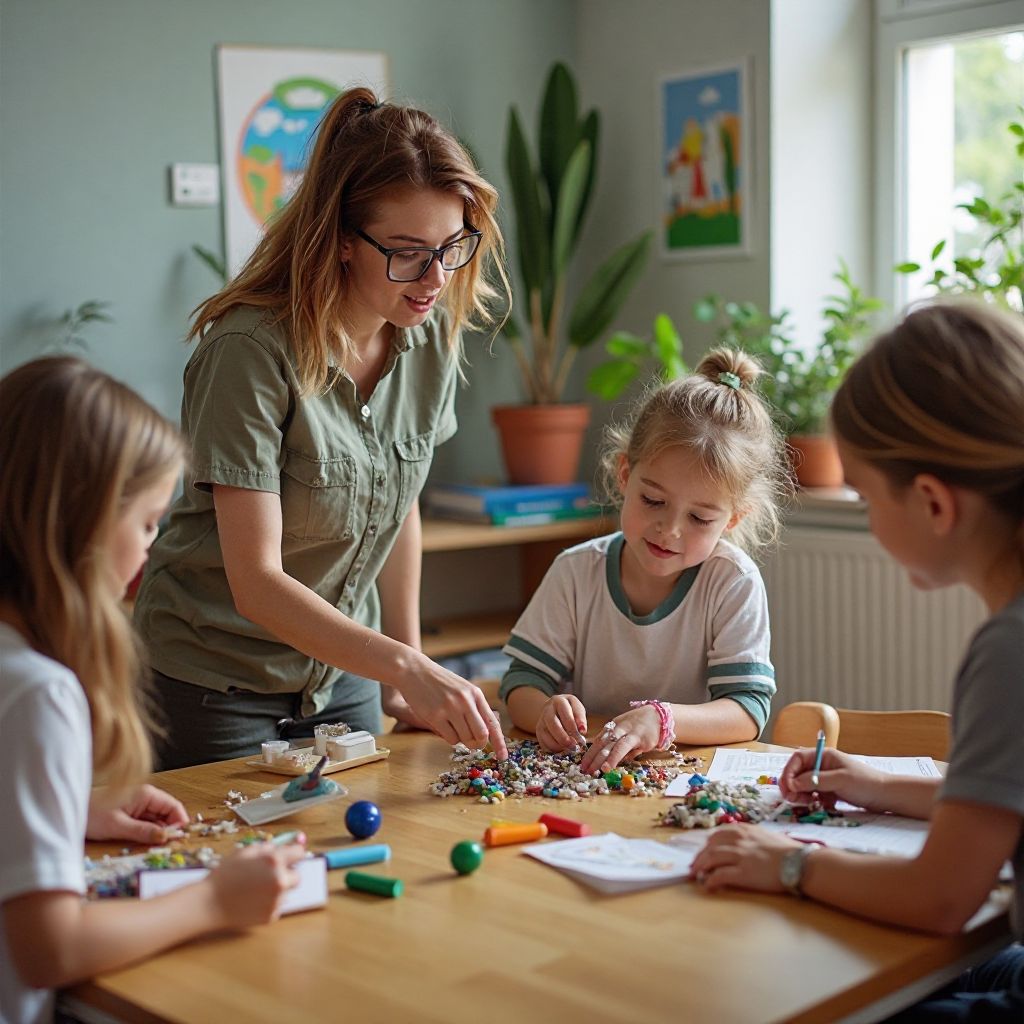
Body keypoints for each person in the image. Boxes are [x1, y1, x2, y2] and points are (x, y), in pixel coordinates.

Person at [133, 87, 509, 768]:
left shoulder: (426, 341)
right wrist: (404, 665)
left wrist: (406, 664)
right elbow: (255, 581)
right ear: (341, 240)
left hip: (342, 679)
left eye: (451, 247)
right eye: (406, 251)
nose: (434, 278)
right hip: (213, 684)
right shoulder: (248, 352)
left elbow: (399, 511)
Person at [691, 301, 1024, 1021]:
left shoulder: (1010, 652)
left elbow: (939, 898)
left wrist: (786, 864)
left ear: (934, 503)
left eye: (869, 496)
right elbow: (1003, 805)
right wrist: (880, 786)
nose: (869, 516)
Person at [0, 357, 306, 1024]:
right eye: (145, 524)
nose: (148, 552)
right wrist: (214, 902)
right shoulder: (38, 693)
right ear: (81, 524)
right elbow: (47, 950)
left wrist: (70, 810)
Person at [500, 348, 791, 773]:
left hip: (679, 780)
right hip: (586, 777)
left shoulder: (733, 581)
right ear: (624, 475)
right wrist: (544, 710)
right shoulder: (575, 571)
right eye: (653, 500)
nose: (669, 530)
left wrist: (662, 720)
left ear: (733, 519)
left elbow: (747, 711)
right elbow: (520, 683)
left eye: (699, 518)